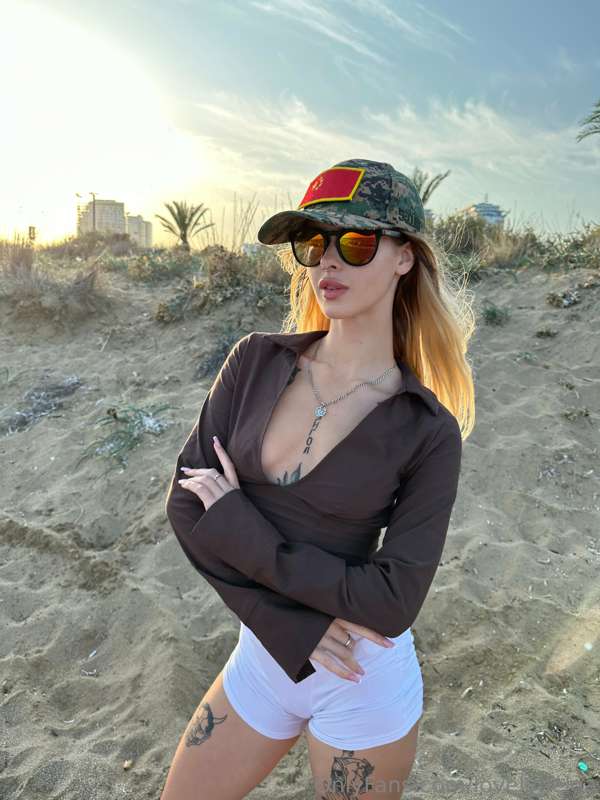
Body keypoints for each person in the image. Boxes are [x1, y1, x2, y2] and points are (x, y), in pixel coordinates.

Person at [161, 158, 475, 799]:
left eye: (355, 242)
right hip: (264, 654)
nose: (329, 259)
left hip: (361, 678)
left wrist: (239, 525)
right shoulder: (253, 361)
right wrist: (286, 625)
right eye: (313, 242)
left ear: (405, 257)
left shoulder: (427, 430)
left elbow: (392, 602)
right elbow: (187, 507)